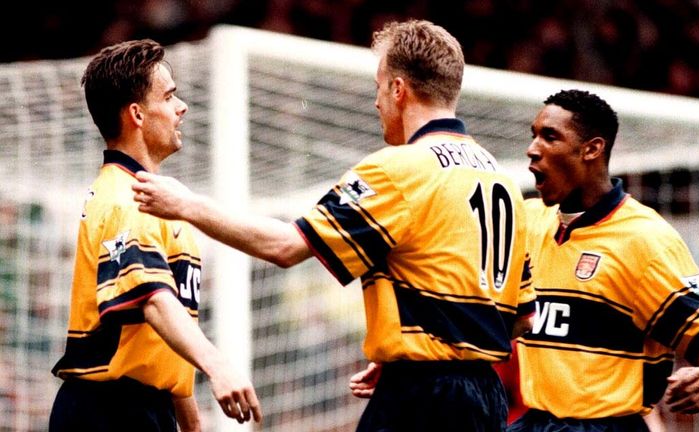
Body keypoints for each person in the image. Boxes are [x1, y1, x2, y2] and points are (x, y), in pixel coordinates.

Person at [131, 19, 536, 432]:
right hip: (487, 399)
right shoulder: (502, 178)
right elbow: (522, 319)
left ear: (398, 89)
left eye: (379, 87)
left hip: (423, 398)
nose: (377, 102)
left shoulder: (397, 170)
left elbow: (286, 246)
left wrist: (187, 205)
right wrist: (422, 342)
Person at [49, 39, 261, 432]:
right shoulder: (125, 201)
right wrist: (219, 366)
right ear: (138, 115)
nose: (181, 108)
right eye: (169, 96)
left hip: (147, 407)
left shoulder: (157, 199)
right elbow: (154, 302)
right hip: (108, 410)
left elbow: (159, 341)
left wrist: (192, 426)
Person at [507, 89, 699, 431]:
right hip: (538, 420)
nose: (532, 149)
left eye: (550, 136)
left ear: (592, 149)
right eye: (534, 136)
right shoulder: (527, 221)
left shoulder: (644, 239)